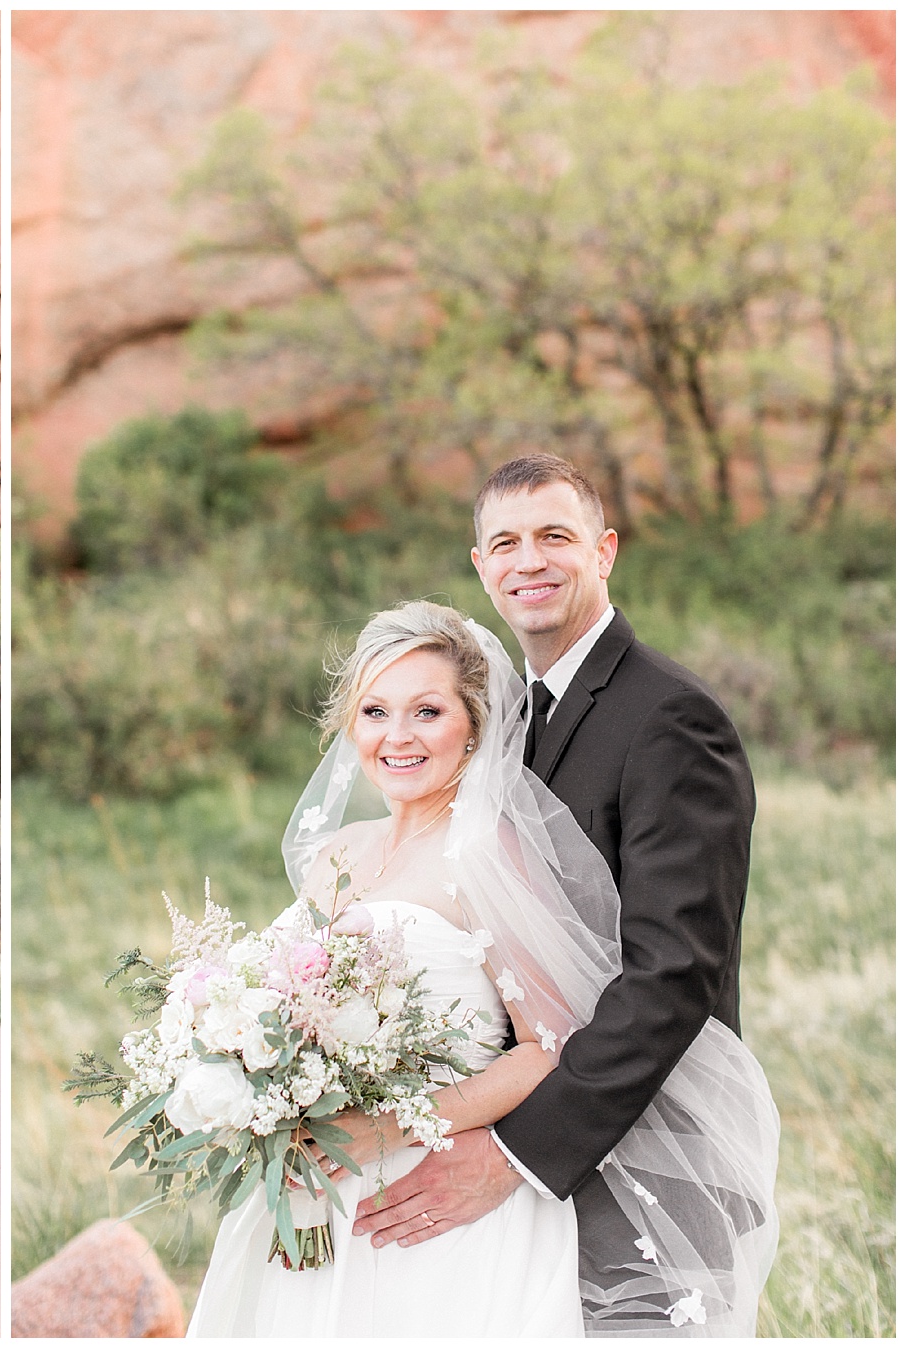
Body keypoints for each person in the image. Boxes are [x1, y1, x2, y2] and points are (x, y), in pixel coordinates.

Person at [186, 599, 778, 1336]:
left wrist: (392, 1127)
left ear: (473, 727)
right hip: (309, 1194)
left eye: (427, 713)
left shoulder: (489, 855)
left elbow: (549, 1049)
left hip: (432, 1197)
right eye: (374, 711)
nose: (396, 737)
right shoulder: (336, 855)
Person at [349, 455, 780, 1330]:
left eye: (555, 536)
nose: (528, 561)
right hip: (508, 1184)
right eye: (504, 542)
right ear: (480, 567)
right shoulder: (505, 719)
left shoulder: (669, 719)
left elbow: (673, 974)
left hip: (645, 1152)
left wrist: (515, 1153)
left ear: (605, 550)